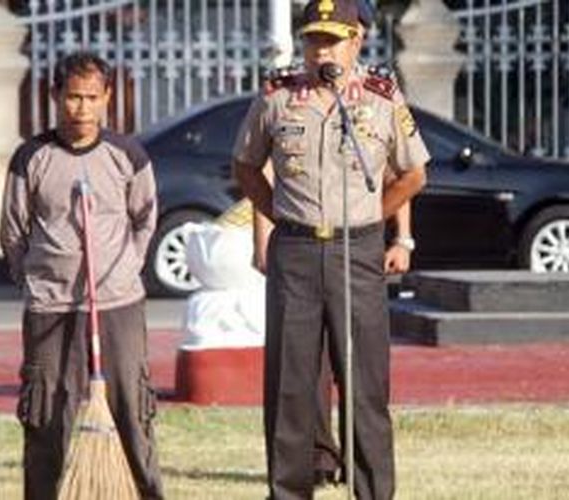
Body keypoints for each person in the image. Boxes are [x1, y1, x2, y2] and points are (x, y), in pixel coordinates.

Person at [232, 0, 429, 497]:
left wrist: (373, 219)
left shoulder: (381, 99)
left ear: (355, 41)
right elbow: (246, 167)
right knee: (290, 387)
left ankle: (372, 492)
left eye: (332, 39)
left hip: (357, 251)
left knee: (365, 386)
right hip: (295, 251)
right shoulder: (277, 98)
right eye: (314, 39)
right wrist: (279, 215)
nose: (322, 49)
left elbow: (413, 174)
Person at [0, 51, 164, 500]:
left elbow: (145, 217)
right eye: (73, 97)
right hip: (50, 308)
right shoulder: (32, 157)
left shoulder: (127, 155)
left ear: (107, 97)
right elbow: (13, 229)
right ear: (55, 96)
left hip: (117, 304)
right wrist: (33, 277)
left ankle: (145, 492)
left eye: (92, 98)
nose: (82, 109)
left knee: (133, 409)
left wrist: (128, 266)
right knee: (45, 414)